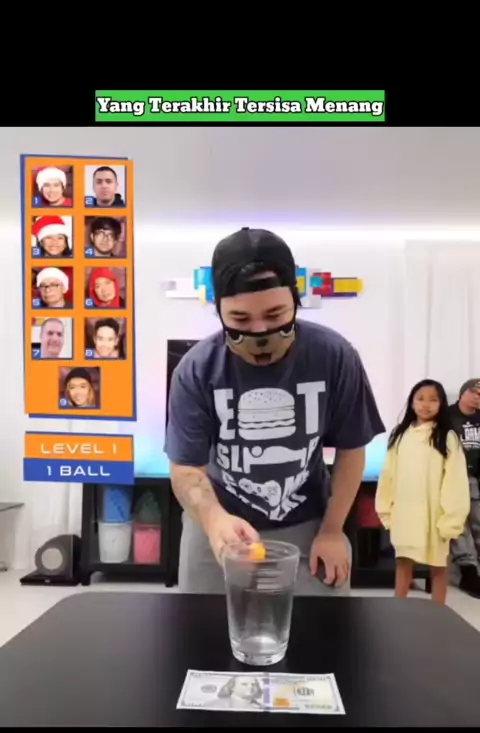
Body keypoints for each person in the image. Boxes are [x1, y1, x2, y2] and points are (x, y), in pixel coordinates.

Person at [165, 226, 385, 594]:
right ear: (219, 310)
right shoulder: (196, 370)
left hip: (309, 523)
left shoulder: (335, 357)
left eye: (275, 313)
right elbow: (186, 467)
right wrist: (214, 520)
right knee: (202, 627)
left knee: (325, 627)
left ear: (295, 300)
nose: (260, 331)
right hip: (217, 524)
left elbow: (352, 450)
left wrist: (333, 530)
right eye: (240, 320)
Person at [375, 379, 470, 605]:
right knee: (403, 562)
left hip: (434, 515)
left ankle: (438, 612)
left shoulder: (446, 437)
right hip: (405, 514)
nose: (426, 405)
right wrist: (386, 510)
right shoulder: (400, 435)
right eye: (420, 399)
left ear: (441, 404)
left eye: (433, 400)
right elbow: (388, 475)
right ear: (411, 402)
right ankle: (399, 608)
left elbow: (455, 480)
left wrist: (451, 519)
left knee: (438, 564)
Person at [449, 378, 480, 597]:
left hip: (476, 477)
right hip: (453, 477)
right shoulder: (446, 416)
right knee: (458, 523)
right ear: (463, 393)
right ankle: (468, 571)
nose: (478, 397)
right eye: (474, 392)